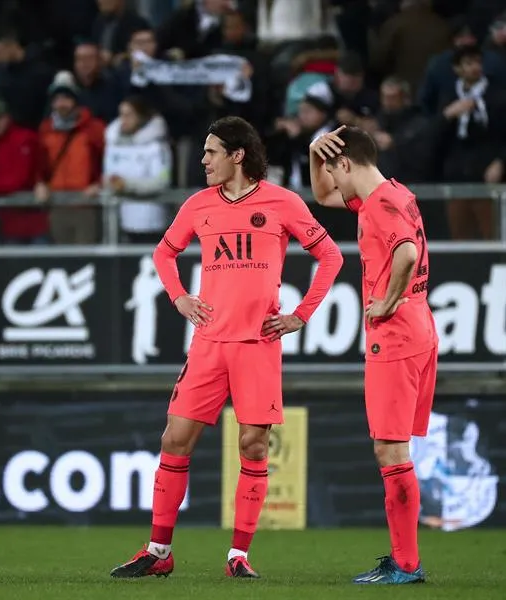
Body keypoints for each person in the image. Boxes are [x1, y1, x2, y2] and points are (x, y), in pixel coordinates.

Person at [110, 116, 344, 579]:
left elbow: (331, 255)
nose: (203, 160)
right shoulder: (198, 205)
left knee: (253, 446)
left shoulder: (283, 201)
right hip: (209, 344)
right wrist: (179, 297)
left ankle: (239, 555)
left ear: (238, 154)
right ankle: (159, 551)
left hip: (258, 344)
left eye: (211, 151)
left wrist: (301, 315)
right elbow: (163, 252)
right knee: (174, 439)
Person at [309, 125, 437, 585]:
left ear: (346, 163)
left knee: (390, 448)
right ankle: (405, 560)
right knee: (396, 447)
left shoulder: (379, 207)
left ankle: (405, 566)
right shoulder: (394, 192)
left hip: (395, 336)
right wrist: (312, 151)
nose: (334, 184)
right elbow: (323, 197)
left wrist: (386, 302)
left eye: (333, 171)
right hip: (420, 328)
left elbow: (404, 252)